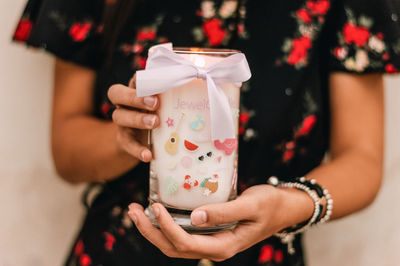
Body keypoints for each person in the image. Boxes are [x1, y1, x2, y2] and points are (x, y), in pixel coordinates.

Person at [13, 0, 400, 265]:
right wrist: (130, 137)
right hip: (119, 248)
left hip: (265, 250)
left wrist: (287, 206)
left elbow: (362, 160)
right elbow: (67, 151)